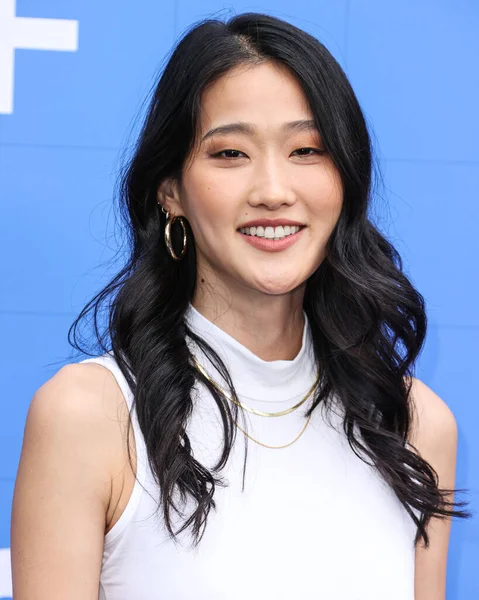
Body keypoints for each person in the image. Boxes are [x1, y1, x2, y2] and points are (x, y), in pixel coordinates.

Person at [10, 12, 470, 600]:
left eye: (307, 149)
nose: (273, 190)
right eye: (230, 154)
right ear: (170, 190)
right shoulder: (89, 416)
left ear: (345, 182)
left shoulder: (413, 424)